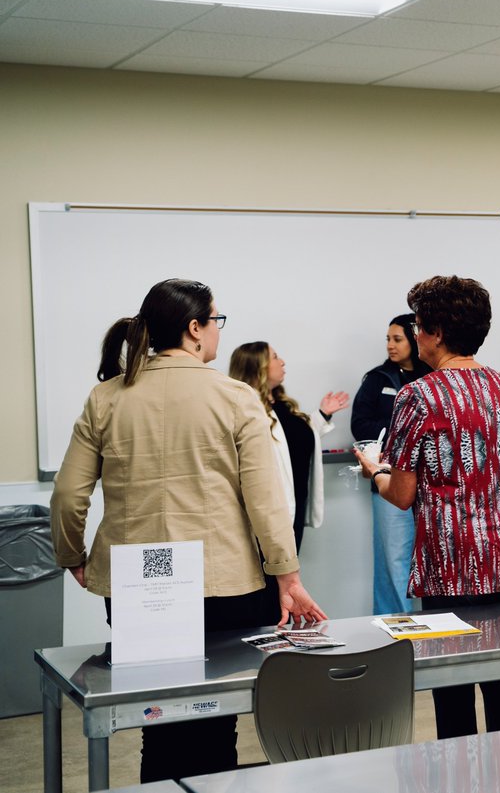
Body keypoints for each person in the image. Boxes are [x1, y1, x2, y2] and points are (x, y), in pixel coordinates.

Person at [50, 278, 325, 783]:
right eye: (215, 321)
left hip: (140, 583)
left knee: (157, 711)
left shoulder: (106, 396)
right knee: (216, 714)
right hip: (224, 581)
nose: (218, 333)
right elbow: (265, 503)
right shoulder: (235, 396)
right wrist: (287, 577)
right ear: (194, 329)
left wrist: (72, 555)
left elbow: (69, 495)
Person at [354, 275, 500, 740]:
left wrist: (374, 470)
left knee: (451, 687)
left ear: (435, 332)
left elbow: (402, 494)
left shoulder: (420, 395)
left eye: (416, 325)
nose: (414, 334)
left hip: (451, 561)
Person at [228, 342, 349, 554]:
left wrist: (322, 415)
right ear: (258, 366)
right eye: (275, 357)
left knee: (287, 573)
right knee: (271, 579)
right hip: (270, 509)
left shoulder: (282, 405)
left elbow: (292, 441)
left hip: (296, 502)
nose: (282, 362)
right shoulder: (246, 408)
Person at [351, 314, 432, 615]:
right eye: (388, 339)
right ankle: (397, 630)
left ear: (413, 339)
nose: (390, 345)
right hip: (390, 477)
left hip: (429, 482)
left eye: (397, 339)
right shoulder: (377, 379)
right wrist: (402, 425)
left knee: (428, 561)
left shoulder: (431, 376)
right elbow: (360, 424)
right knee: (394, 560)